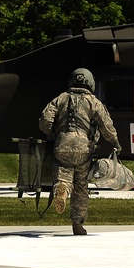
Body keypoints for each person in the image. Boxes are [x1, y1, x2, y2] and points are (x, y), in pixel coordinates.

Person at [38, 68, 121, 236]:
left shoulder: (60, 99)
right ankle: (77, 224)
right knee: (81, 187)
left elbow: (45, 121)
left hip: (62, 145)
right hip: (84, 148)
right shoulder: (94, 102)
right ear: (90, 83)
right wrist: (115, 142)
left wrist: (51, 132)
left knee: (64, 176)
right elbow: (107, 125)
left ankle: (62, 189)